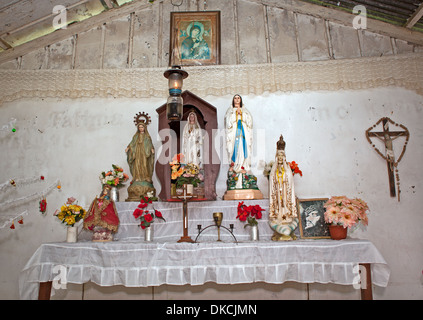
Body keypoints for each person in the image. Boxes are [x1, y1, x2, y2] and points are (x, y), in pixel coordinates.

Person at [268, 135, 298, 241]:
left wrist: (284, 175)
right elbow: (272, 179)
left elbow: (289, 178)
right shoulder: (274, 170)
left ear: (284, 157)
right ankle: (279, 219)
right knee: (279, 206)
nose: (280, 158)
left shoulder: (287, 169)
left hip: (285, 192)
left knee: (285, 205)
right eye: (279, 156)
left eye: (282, 155)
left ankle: (287, 220)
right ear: (277, 157)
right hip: (277, 193)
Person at [125, 121, 156, 201]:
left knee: (145, 165)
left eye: (142, 127)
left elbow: (150, 144)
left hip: (145, 154)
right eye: (139, 127)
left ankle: (145, 178)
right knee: (137, 165)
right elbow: (132, 143)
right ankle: (137, 178)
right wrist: (128, 148)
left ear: (144, 128)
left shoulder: (147, 137)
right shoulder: (136, 136)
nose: (141, 128)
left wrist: (152, 149)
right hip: (138, 153)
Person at [225, 94, 253, 175]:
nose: (237, 100)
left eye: (238, 98)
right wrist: (234, 114)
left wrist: (242, 114)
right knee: (234, 147)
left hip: (243, 132)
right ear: (233, 100)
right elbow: (228, 123)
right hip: (234, 133)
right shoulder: (230, 111)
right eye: (235, 98)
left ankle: (243, 165)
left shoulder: (245, 111)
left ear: (240, 100)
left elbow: (250, 122)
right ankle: (234, 165)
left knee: (243, 146)